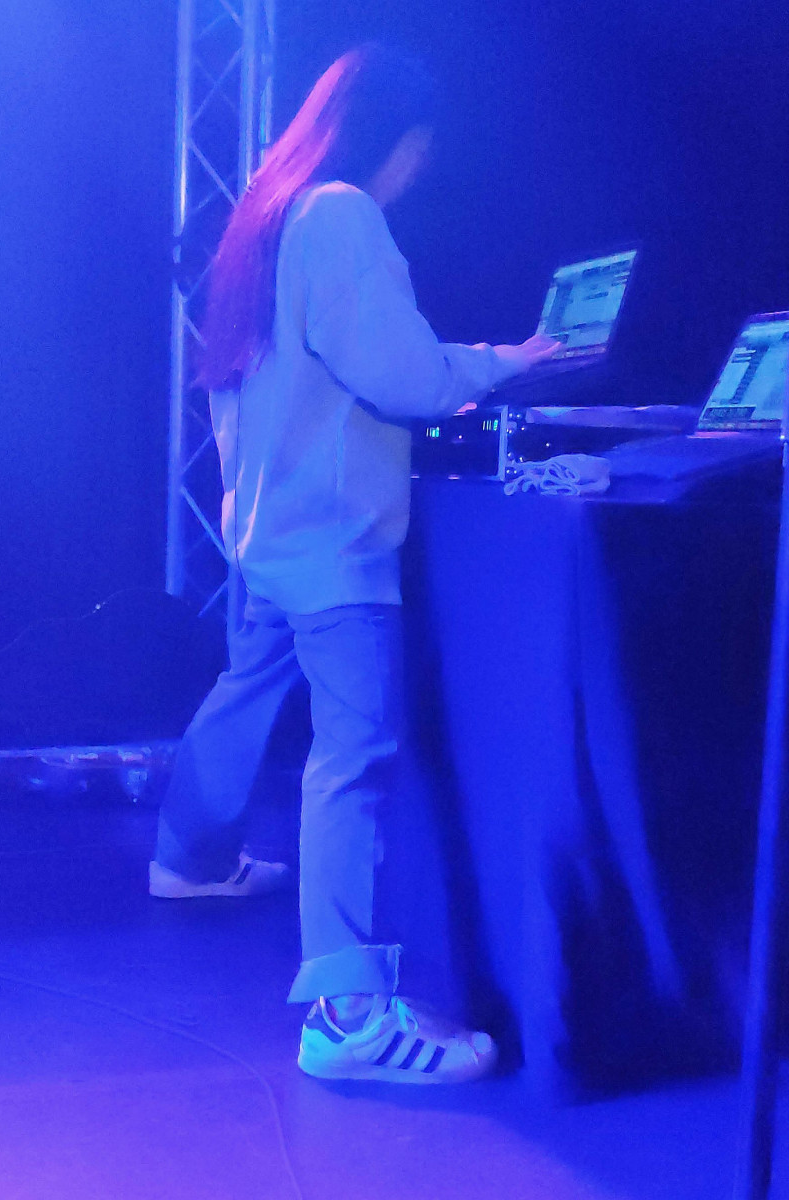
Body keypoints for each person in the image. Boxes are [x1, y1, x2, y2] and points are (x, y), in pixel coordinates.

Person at [150, 43, 561, 1084]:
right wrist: (504, 364)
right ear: (396, 136)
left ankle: (188, 857)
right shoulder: (340, 215)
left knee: (246, 691)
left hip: (268, 528)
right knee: (355, 759)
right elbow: (404, 377)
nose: (420, 168)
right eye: (420, 147)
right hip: (329, 538)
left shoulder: (265, 217)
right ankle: (347, 1015)